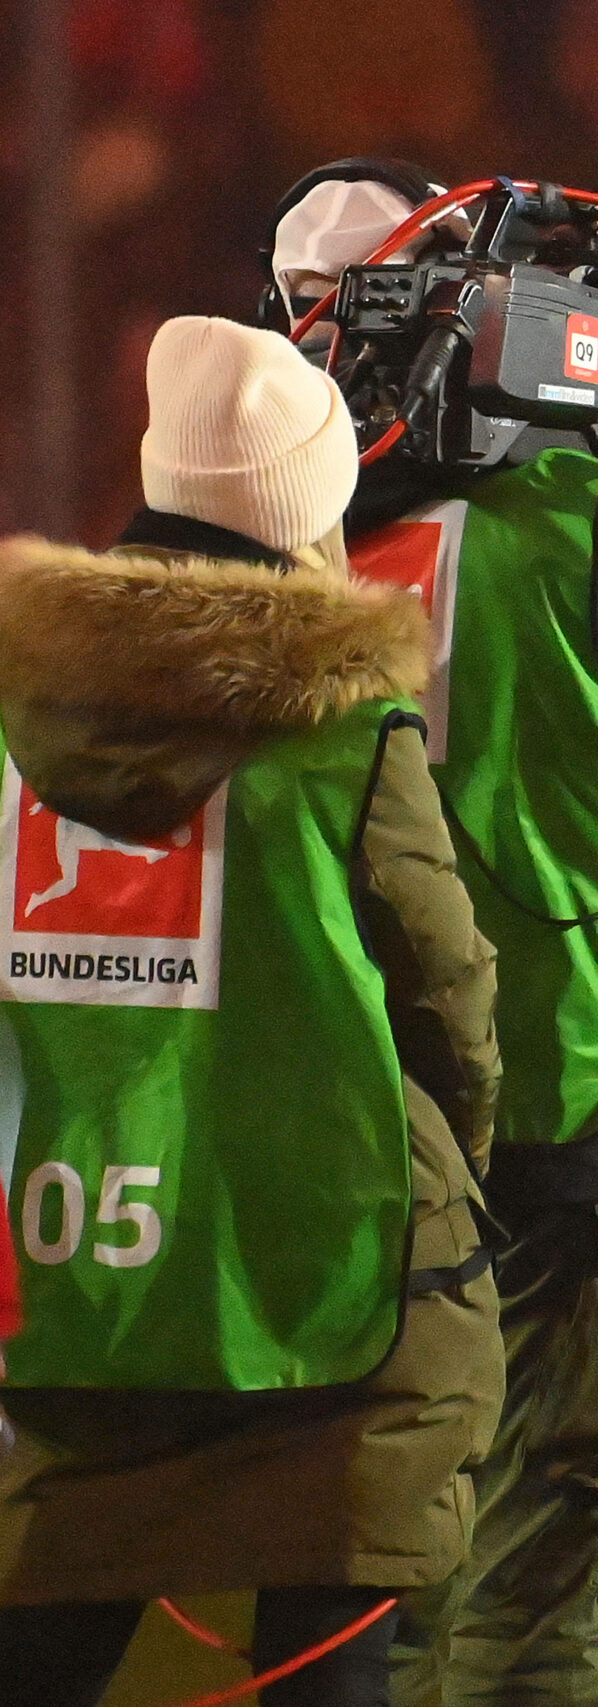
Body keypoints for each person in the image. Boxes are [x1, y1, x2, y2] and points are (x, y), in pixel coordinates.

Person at [254, 160, 598, 1704]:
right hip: (570, 1136)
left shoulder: (261, 561)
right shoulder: (590, 532)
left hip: (342, 1168)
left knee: (359, 1625)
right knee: (539, 1613)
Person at [0, 315, 502, 1707]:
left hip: (80, 1274)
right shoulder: (346, 728)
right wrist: (455, 1166)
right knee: (338, 1646)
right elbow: (446, 987)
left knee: (44, 1628)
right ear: (310, 507)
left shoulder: (9, 719)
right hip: (322, 1271)